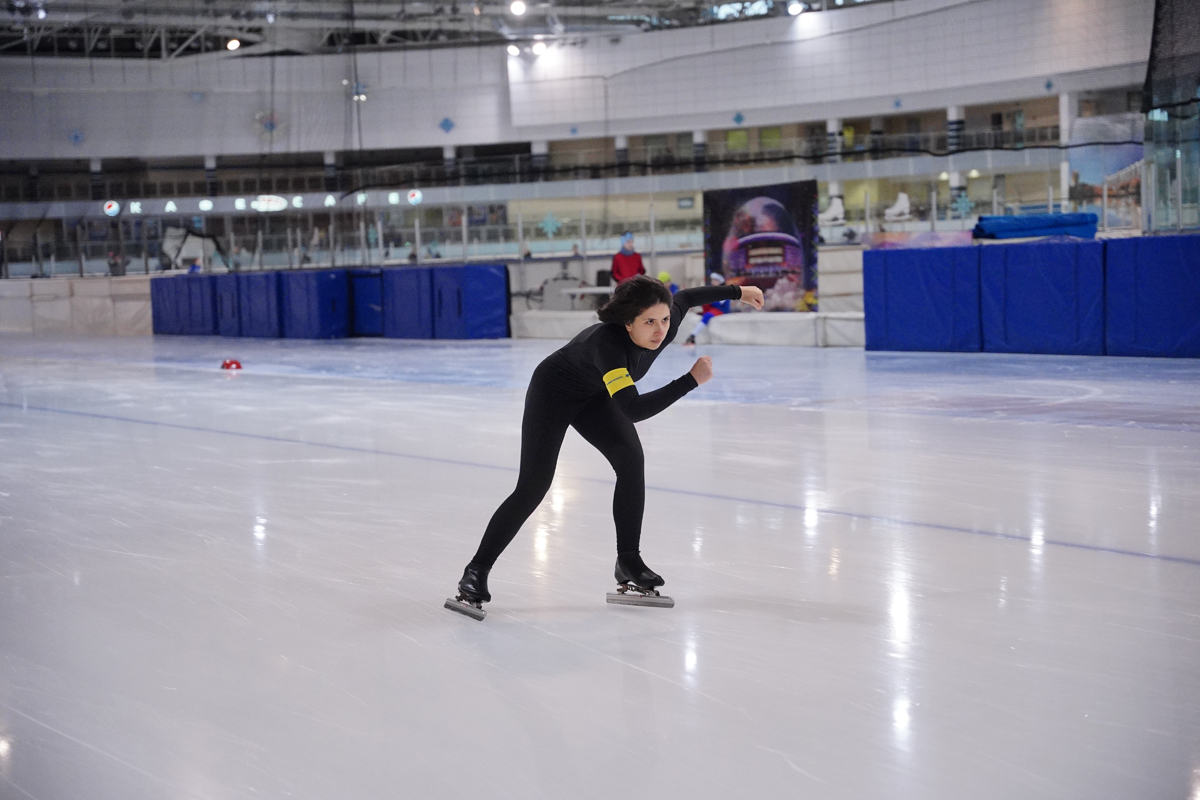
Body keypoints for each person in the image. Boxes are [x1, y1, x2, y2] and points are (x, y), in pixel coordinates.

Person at [446, 275, 765, 620]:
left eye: (664, 319)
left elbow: (685, 297)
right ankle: (476, 571)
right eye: (649, 322)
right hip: (553, 394)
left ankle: (628, 561)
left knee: (631, 462)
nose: (660, 330)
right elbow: (633, 409)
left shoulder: (664, 324)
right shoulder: (608, 345)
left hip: (594, 395)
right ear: (628, 323)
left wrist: (739, 292)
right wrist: (689, 381)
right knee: (533, 486)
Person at [684, 273, 733, 345]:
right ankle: (692, 336)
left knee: (707, 316)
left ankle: (693, 335)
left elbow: (719, 304)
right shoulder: (713, 290)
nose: (713, 282)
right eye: (712, 280)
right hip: (713, 309)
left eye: (715, 280)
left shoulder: (724, 291)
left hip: (721, 310)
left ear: (719, 282)